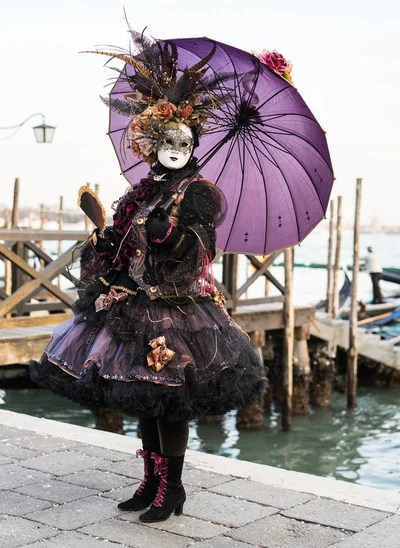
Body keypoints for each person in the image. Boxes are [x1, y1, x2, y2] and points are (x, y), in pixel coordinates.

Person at [30, 34, 265, 524]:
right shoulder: (145, 192)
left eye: (183, 142)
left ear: (193, 144)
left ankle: (173, 488)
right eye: (166, 142)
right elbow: (121, 244)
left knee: (170, 402)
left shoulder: (200, 193)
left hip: (182, 311)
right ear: (152, 145)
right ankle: (152, 480)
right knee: (143, 398)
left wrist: (170, 238)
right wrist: (103, 240)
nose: (175, 149)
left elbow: (198, 249)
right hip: (136, 303)